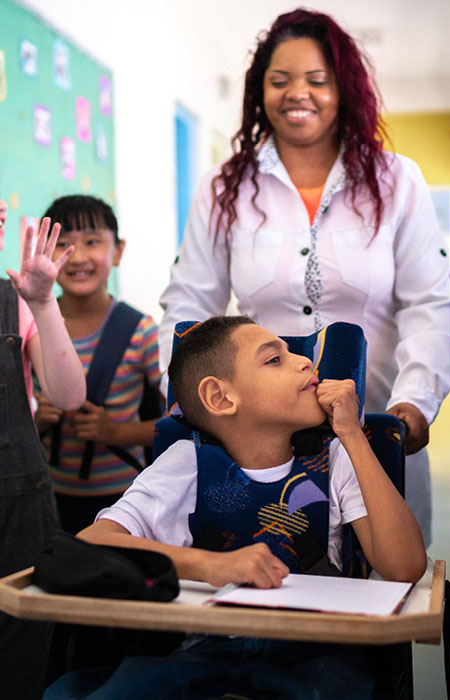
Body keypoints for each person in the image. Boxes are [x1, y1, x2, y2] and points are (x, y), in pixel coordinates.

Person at [157, 9, 450, 546]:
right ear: (260, 92)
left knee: (378, 587)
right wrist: (184, 393)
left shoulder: (397, 181)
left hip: (372, 430)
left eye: (318, 80)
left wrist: (414, 402)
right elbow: (189, 303)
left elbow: (429, 304)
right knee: (264, 584)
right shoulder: (224, 187)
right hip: (254, 442)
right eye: (280, 80)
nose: (299, 93)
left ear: (344, 90)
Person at [43, 315, 427, 700]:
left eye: (293, 353)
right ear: (220, 398)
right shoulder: (184, 464)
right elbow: (95, 540)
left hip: (315, 654)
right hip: (203, 651)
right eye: (273, 359)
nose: (305, 362)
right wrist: (209, 565)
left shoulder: (336, 459)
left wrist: (352, 435)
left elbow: (404, 567)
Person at [34, 195, 161, 536]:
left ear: (117, 251)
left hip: (125, 504)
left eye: (92, 241)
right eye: (62, 244)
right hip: (45, 498)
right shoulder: (31, 324)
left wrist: (116, 433)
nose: (77, 256)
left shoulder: (141, 330)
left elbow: (181, 422)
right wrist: (35, 421)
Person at [0, 213, 86, 700]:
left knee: (18, 663)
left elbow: (69, 395)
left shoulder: (16, 301)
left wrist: (43, 302)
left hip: (18, 513)